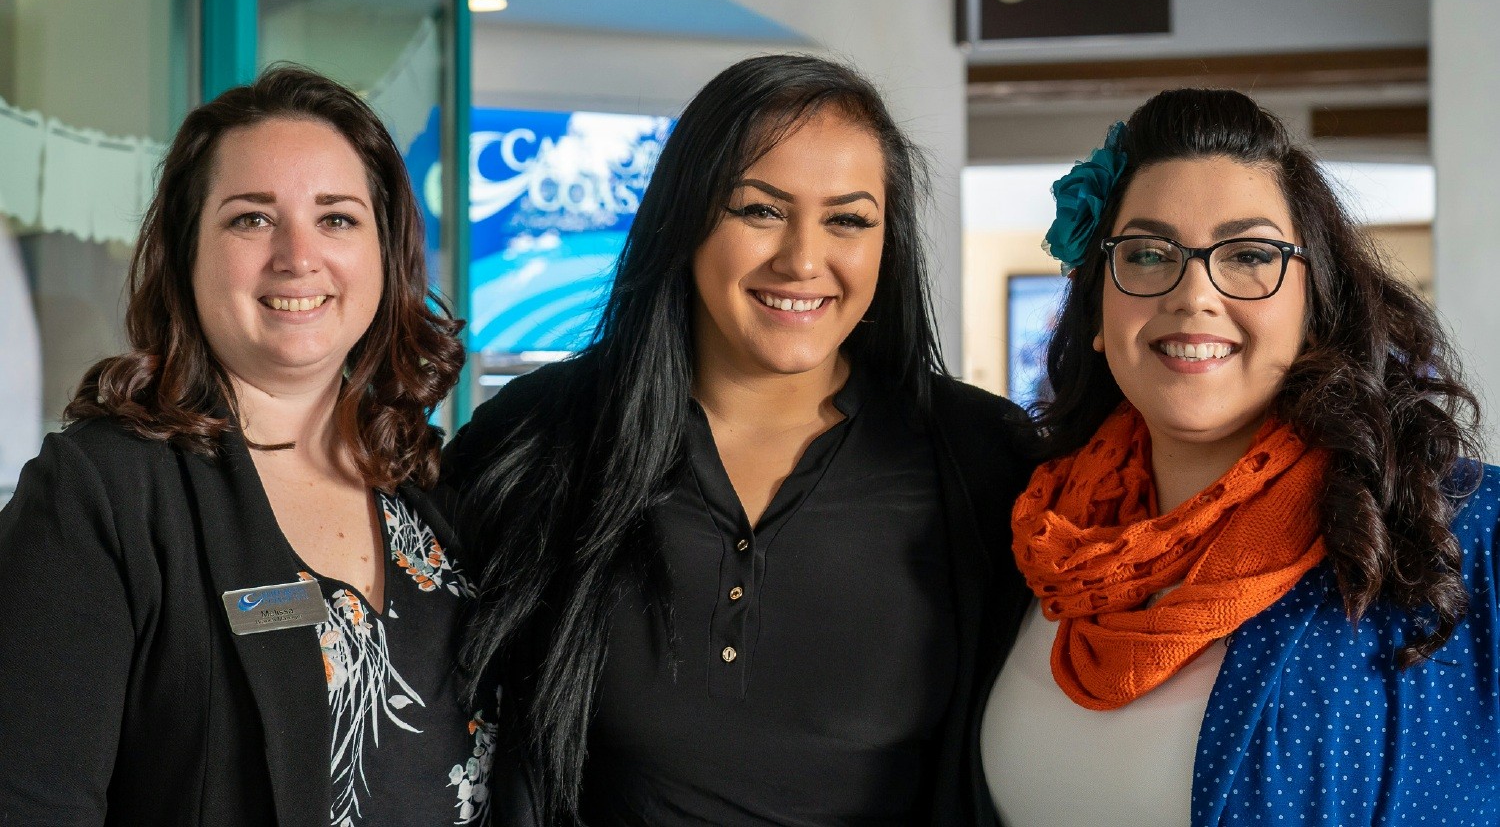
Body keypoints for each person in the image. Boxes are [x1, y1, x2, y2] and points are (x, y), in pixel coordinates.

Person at [441, 54, 1036, 827]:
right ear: (684, 217)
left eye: (848, 219)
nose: (802, 259)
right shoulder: (536, 438)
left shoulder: (981, 459)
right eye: (759, 210)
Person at [980, 88, 1500, 826]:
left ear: (1314, 302)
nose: (1194, 294)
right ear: (1097, 311)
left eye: (1250, 255)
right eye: (1149, 253)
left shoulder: (1470, 534)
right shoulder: (1035, 539)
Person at [0, 65, 494, 827]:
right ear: (185, 252)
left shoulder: (427, 484)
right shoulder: (105, 493)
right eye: (251, 219)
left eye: (336, 218)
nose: (298, 255)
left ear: (384, 251)